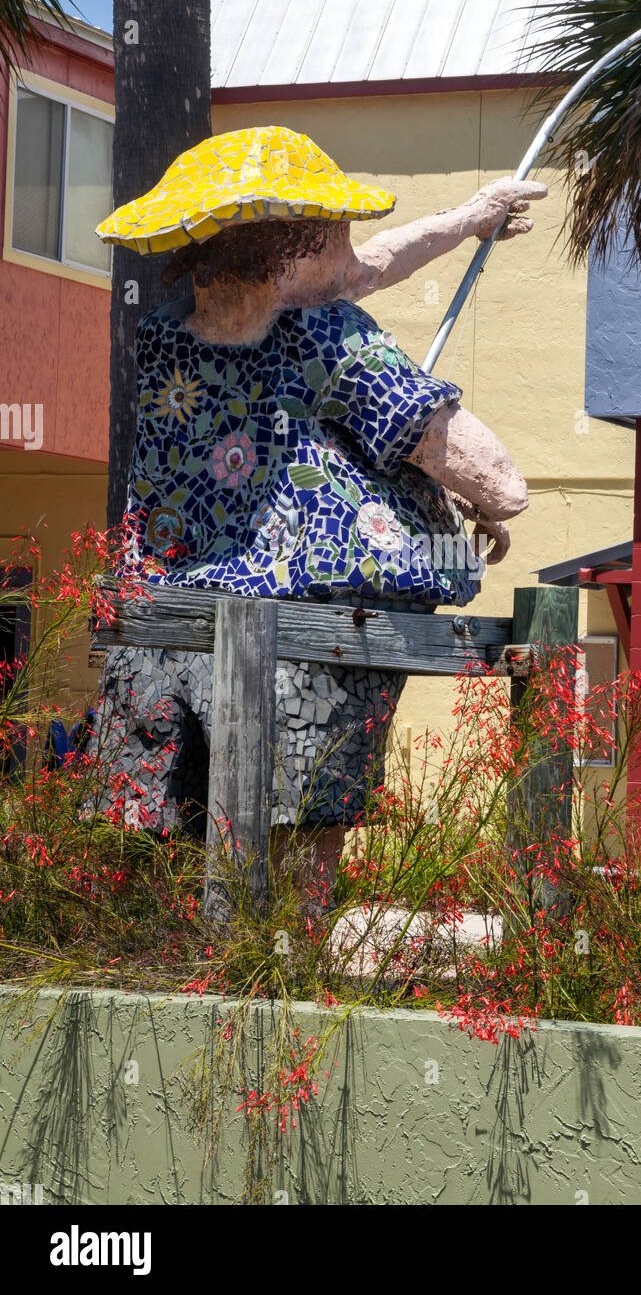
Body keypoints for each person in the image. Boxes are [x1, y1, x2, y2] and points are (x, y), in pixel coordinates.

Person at [94, 126, 546, 901]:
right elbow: (493, 475)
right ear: (290, 251)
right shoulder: (332, 337)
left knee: (167, 837)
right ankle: (290, 982)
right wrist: (485, 502)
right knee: (304, 840)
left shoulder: (164, 341)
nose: (352, 252)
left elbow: (366, 269)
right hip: (309, 635)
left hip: (167, 622)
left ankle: (177, 979)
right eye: (334, 236)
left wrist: (474, 215)